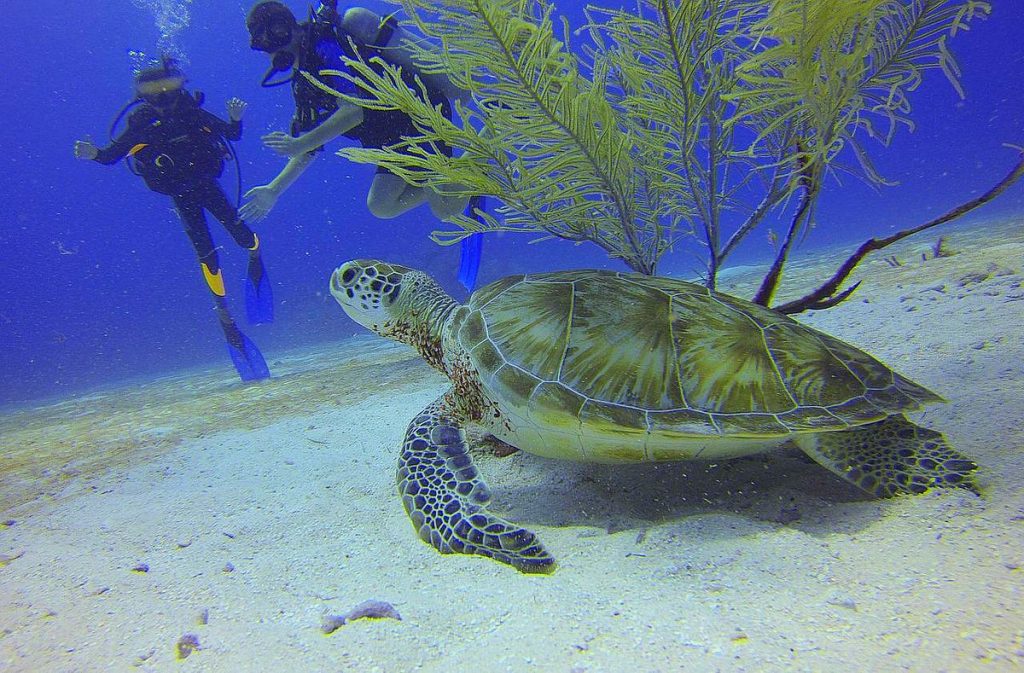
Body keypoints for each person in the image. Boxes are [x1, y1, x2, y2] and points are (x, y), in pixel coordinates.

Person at [243, 1, 486, 290]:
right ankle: (461, 169)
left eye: (276, 36)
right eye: (263, 45)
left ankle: (479, 154)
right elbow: (306, 148)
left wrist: (302, 142)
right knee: (381, 205)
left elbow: (354, 110)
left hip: (417, 115)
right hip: (391, 136)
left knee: (446, 210)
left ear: (290, 28)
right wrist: (274, 189)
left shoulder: (325, 48)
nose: (272, 50)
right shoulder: (304, 82)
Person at [74, 57, 273, 382]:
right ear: (143, 97)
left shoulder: (191, 111)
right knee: (207, 254)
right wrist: (94, 154)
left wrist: (236, 119)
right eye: (155, 95)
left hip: (207, 185)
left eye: (168, 91)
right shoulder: (140, 123)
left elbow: (230, 134)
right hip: (182, 195)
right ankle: (226, 317)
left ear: (178, 87)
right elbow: (112, 155)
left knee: (239, 234)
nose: (164, 101)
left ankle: (255, 254)